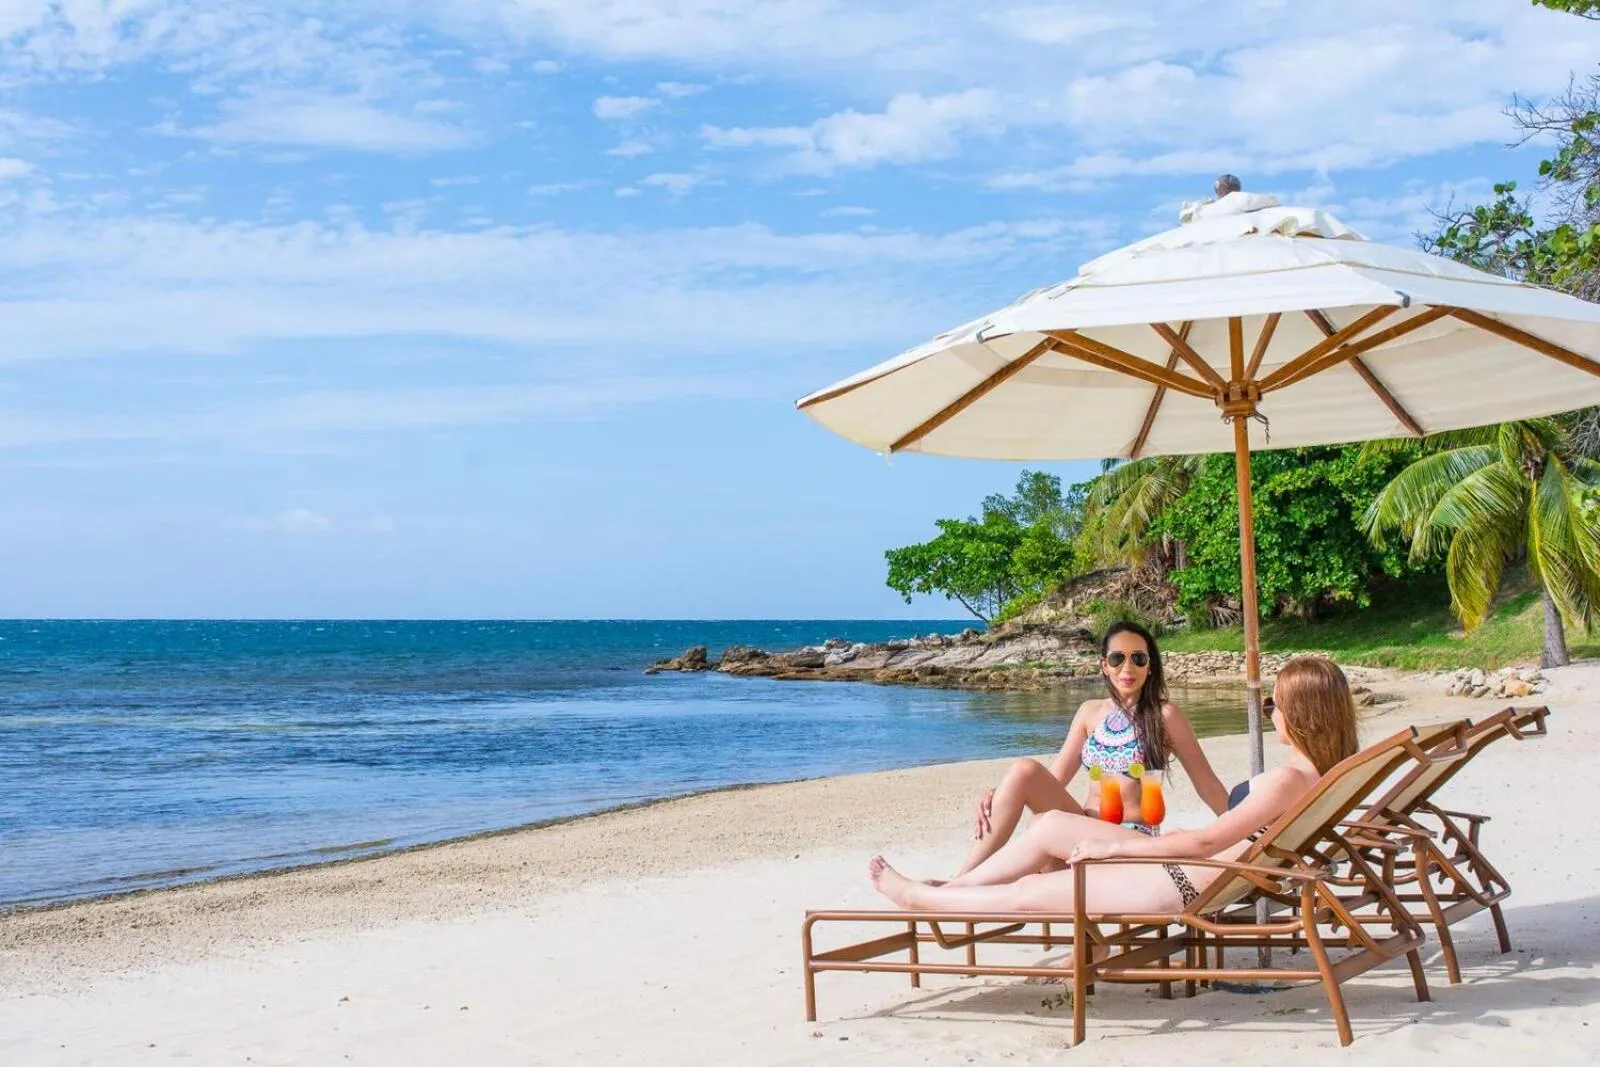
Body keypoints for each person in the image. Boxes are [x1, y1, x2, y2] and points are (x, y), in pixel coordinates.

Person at [870, 655, 1360, 914]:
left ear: (1302, 714)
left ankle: (925, 899)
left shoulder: (1289, 779)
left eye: (1274, 705)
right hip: (1187, 866)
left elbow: (1212, 839)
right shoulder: (1319, 776)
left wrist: (1108, 853)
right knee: (1053, 825)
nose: (1270, 713)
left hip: (1181, 880)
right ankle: (953, 887)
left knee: (1031, 892)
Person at [954, 621, 1228, 878]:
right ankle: (963, 880)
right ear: (1104, 666)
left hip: (1130, 840)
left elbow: (1208, 785)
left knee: (1039, 825)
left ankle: (958, 890)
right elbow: (1051, 781)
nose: (1127, 668)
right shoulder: (1089, 712)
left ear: (1150, 666)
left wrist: (1246, 832)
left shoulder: (1164, 715)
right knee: (1023, 771)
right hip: (1084, 831)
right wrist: (998, 793)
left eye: (1139, 658)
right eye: (1117, 658)